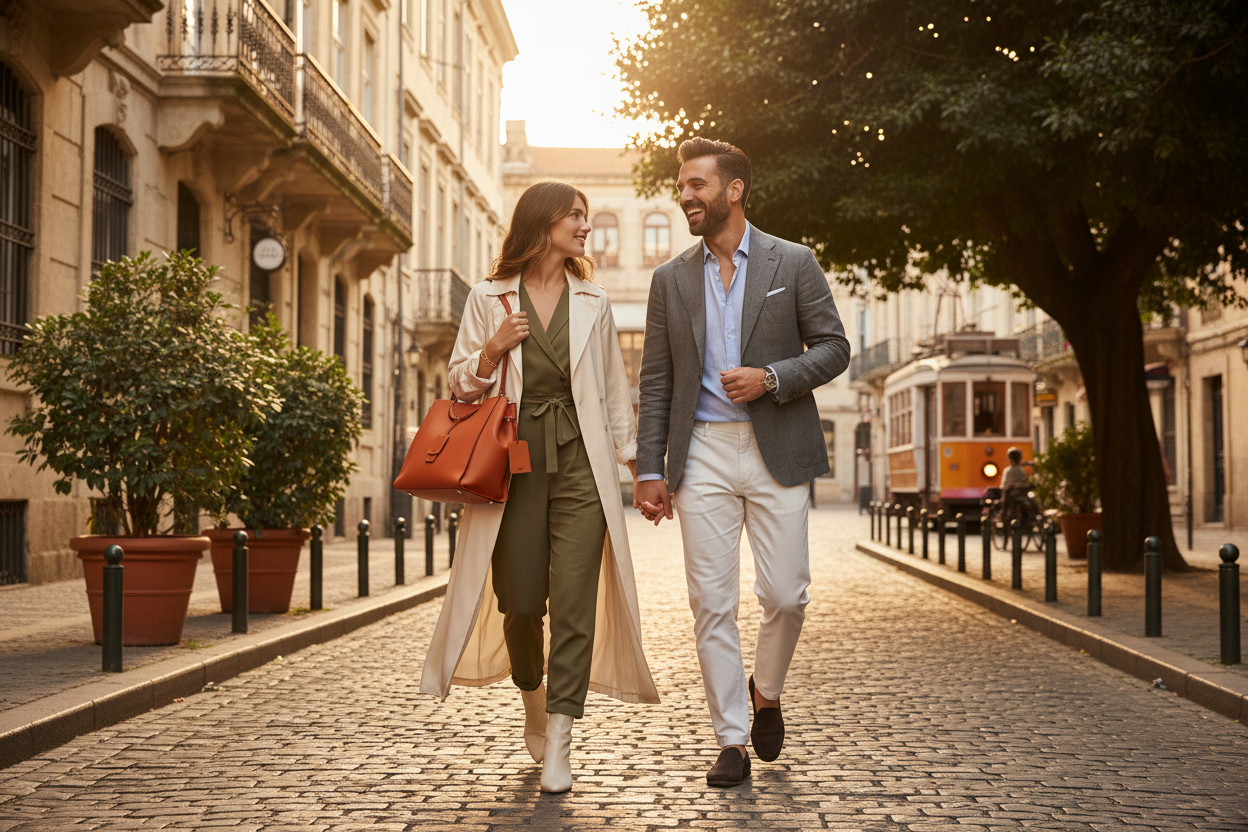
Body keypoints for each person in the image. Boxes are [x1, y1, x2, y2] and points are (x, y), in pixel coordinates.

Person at [419, 181, 659, 794]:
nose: (585, 226)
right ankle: (533, 694)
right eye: (575, 216)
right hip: (511, 464)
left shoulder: (595, 301)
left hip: (582, 464)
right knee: (521, 602)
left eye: (584, 214)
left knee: (575, 600)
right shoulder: (488, 297)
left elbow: (610, 388)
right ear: (543, 222)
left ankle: (561, 738)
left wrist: (638, 467)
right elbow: (458, 388)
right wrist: (492, 350)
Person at [634, 138, 850, 787]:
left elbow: (835, 348)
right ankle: (730, 737)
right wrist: (650, 468)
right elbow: (655, 382)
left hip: (775, 446)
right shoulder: (670, 278)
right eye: (681, 185)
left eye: (697, 184)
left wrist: (774, 378)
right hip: (700, 451)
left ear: (734, 190)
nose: (684, 195)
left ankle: (768, 691)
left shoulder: (794, 261)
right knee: (712, 602)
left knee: (787, 594)